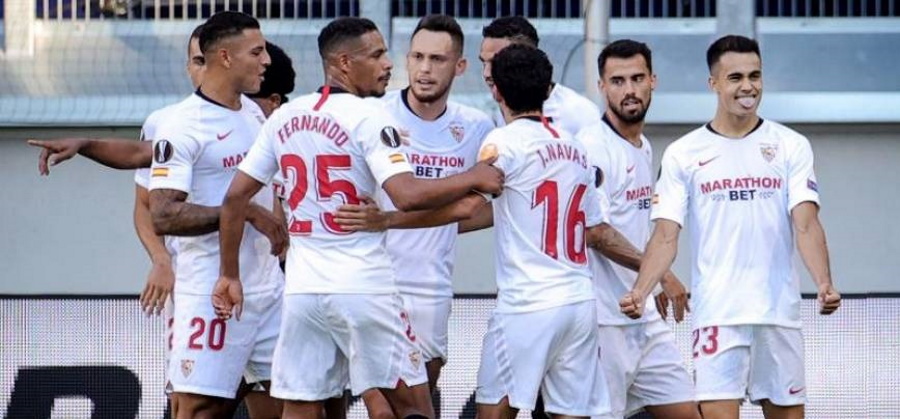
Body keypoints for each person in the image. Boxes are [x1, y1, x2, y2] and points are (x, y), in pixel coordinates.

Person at [211, 16, 503, 419]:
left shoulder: (283, 117)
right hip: (363, 285)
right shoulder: (370, 116)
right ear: (344, 63)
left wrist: (228, 275)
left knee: (300, 407)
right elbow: (407, 195)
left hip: (303, 291)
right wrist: (475, 175)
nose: (388, 64)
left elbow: (234, 198)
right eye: (378, 55)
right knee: (414, 405)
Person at [619, 35, 841, 419]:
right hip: (718, 313)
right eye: (735, 77)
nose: (748, 86)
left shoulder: (791, 145)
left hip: (777, 313)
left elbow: (805, 224)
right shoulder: (684, 152)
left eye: (755, 75)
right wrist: (640, 289)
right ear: (714, 84)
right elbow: (666, 235)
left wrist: (823, 282)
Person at [344, 14, 495, 419]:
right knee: (382, 409)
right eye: (417, 57)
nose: (425, 69)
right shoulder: (374, 115)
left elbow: (483, 210)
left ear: (459, 66)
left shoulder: (477, 128)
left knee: (422, 400)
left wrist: (435, 227)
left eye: (438, 59)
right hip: (373, 280)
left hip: (431, 286)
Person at [146, 11, 286, 419]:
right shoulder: (182, 125)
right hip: (212, 293)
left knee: (294, 405)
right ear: (225, 57)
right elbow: (165, 215)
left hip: (267, 290)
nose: (267, 61)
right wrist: (244, 215)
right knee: (201, 410)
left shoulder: (253, 114)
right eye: (256, 52)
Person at [471, 43, 609, 419]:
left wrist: (393, 220)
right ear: (549, 90)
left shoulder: (503, 142)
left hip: (527, 303)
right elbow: (593, 226)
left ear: (496, 91)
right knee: (571, 413)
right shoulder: (576, 147)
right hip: (578, 300)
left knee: (494, 412)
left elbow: (470, 206)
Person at [574, 39, 699, 419]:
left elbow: (637, 224)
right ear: (601, 87)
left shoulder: (642, 146)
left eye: (637, 78)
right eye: (617, 81)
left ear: (653, 81)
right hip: (603, 320)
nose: (629, 90)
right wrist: (660, 274)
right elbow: (594, 231)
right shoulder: (591, 146)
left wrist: (651, 280)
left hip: (642, 316)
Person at [478, 16, 601, 135]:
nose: (486, 74)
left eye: (496, 62)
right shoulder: (489, 113)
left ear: (528, 57)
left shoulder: (579, 113)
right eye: (484, 63)